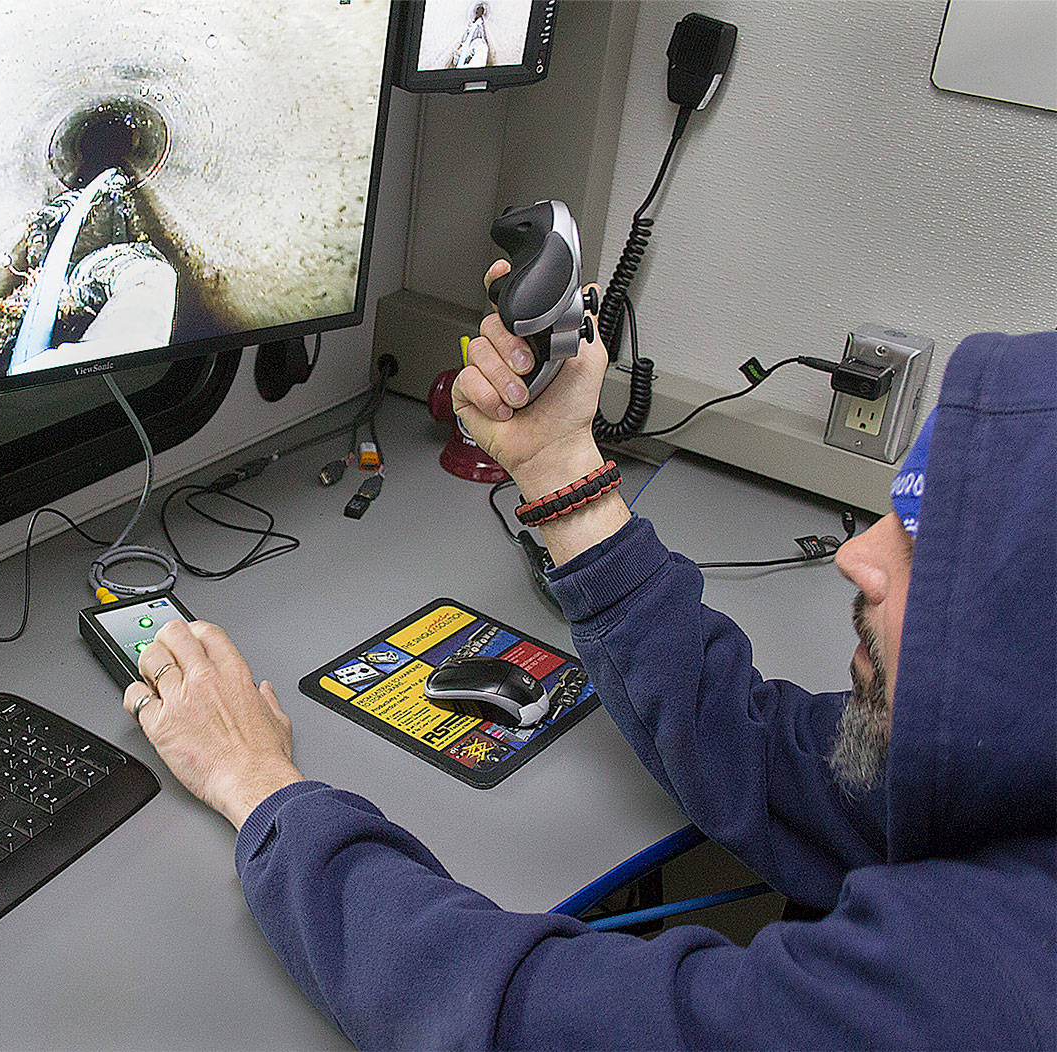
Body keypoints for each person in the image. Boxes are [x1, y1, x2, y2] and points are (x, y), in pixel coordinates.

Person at [122, 265, 1055, 1048]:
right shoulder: (1013, 763)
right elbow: (753, 746)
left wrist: (262, 790)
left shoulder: (978, 991)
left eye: (929, 543)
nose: (859, 554)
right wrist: (558, 462)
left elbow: (513, 1016)